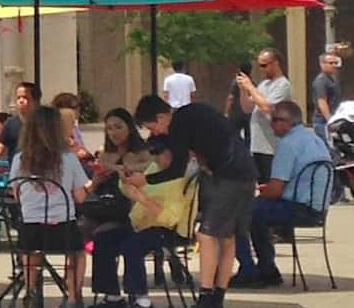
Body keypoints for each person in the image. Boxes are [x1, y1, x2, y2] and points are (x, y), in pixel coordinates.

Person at [135, 94, 256, 308]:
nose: (155, 133)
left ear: (163, 116)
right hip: (243, 171)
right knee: (227, 237)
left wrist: (145, 179)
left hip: (229, 176)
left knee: (207, 234)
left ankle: (206, 295)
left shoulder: (179, 124)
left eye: (152, 126)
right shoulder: (196, 110)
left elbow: (177, 168)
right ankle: (217, 295)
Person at [231, 100, 332, 287]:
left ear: (287, 122)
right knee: (257, 212)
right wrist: (266, 191)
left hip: (298, 208)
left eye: (275, 120)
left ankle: (250, 269)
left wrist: (256, 196)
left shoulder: (288, 144)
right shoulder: (314, 139)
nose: (271, 125)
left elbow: (276, 190)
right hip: (317, 209)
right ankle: (267, 268)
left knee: (239, 211)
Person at [10, 104, 90, 308]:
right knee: (78, 254)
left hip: (31, 229)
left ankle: (30, 290)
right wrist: (93, 183)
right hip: (63, 229)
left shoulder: (20, 159)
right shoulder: (68, 158)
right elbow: (80, 197)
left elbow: (17, 194)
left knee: (32, 253)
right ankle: (73, 296)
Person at [88, 108, 152, 304]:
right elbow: (93, 189)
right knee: (102, 238)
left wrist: (120, 169)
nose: (114, 133)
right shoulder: (106, 155)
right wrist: (98, 178)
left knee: (130, 243)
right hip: (114, 211)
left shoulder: (143, 153)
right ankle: (112, 295)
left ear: (130, 127)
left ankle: (140, 295)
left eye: (118, 127)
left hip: (141, 212)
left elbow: (151, 173)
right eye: (109, 129)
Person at [236, 48, 292, 183]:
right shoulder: (263, 85)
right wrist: (243, 91)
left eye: (264, 65)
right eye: (259, 65)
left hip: (272, 146)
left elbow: (267, 107)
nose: (261, 69)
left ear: (276, 63)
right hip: (258, 145)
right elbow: (247, 108)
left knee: (272, 185)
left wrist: (250, 87)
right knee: (262, 185)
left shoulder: (283, 85)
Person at [0, 80, 41, 172]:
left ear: (35, 101)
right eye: (18, 98)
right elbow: (0, 145)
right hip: (16, 174)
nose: (21, 101)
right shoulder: (10, 123)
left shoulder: (45, 122)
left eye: (25, 97)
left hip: (41, 172)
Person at [311, 52, 342, 140]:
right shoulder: (321, 81)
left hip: (333, 118)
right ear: (322, 64)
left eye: (336, 63)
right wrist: (330, 121)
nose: (334, 65)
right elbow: (322, 102)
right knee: (329, 149)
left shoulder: (333, 78)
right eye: (331, 63)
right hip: (322, 121)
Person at [223, 62, 252, 147]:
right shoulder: (251, 83)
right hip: (248, 114)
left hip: (236, 113)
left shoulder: (236, 82)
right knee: (248, 136)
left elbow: (230, 98)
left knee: (233, 135)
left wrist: (226, 113)